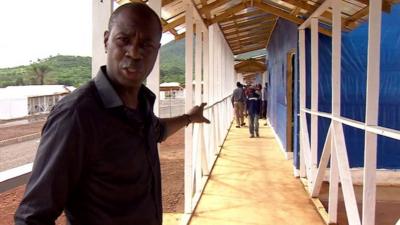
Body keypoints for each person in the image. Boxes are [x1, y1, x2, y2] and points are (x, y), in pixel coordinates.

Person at [14, 3, 209, 225]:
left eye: (146, 44)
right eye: (124, 40)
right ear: (106, 40)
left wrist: (190, 118)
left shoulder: (141, 105)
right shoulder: (77, 115)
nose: (134, 52)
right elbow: (31, 218)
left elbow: (158, 130)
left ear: (156, 51)